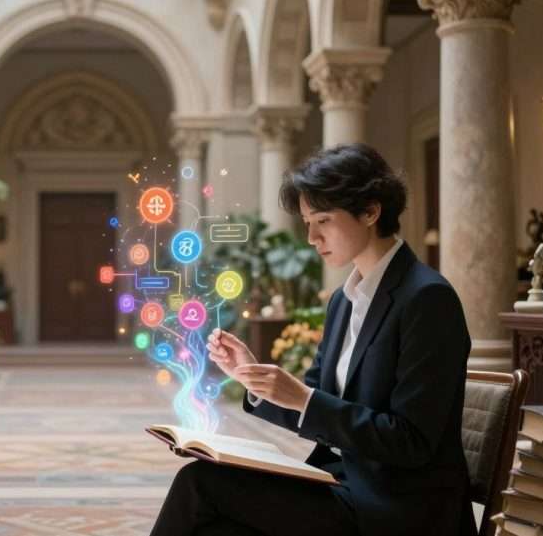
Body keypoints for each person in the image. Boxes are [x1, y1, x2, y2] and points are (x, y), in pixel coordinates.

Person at [150, 144, 475, 536]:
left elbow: (410, 442)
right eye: (306, 222)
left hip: (398, 508)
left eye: (322, 220)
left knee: (200, 484)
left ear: (371, 212)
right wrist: (252, 379)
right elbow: (319, 404)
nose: (310, 237)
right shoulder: (343, 301)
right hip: (341, 485)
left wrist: (303, 398)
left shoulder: (426, 298)